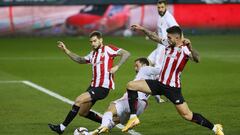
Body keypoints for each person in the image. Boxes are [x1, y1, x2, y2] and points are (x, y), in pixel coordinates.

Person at [122, 25, 224, 135]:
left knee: (187, 115)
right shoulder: (169, 44)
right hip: (159, 83)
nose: (167, 39)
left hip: (172, 88)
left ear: (177, 38)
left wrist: (190, 47)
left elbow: (197, 59)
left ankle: (215, 128)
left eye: (169, 37)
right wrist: (142, 29)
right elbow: (154, 37)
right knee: (131, 85)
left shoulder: (184, 49)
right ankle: (133, 118)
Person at [48, 31, 130, 134]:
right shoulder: (93, 54)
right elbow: (80, 60)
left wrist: (117, 66)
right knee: (83, 112)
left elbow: (126, 53)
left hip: (102, 87)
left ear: (101, 40)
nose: (93, 43)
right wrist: (66, 50)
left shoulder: (108, 49)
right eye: (91, 42)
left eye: (95, 41)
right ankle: (110, 122)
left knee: (78, 100)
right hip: (93, 86)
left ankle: (61, 127)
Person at [91, 57, 160, 135]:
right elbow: (155, 93)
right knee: (116, 120)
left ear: (144, 64)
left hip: (133, 101)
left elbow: (160, 70)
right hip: (141, 107)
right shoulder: (151, 79)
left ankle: (103, 126)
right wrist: (158, 98)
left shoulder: (145, 69)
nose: (135, 68)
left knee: (111, 107)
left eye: (137, 65)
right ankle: (97, 131)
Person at [148, 0, 179, 103]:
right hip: (159, 45)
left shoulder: (169, 18)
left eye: (162, 7)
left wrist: (177, 44)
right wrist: (154, 34)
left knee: (157, 69)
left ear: (166, 7)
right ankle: (156, 92)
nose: (160, 9)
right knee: (147, 62)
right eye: (159, 7)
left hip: (164, 46)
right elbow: (161, 29)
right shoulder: (160, 16)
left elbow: (177, 29)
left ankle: (158, 92)